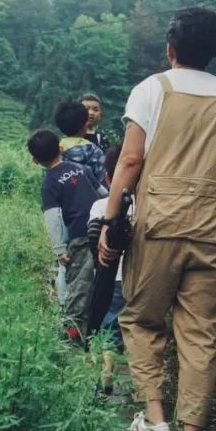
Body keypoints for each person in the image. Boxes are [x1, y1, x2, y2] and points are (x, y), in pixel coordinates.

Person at [97, 6, 216, 431]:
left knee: (142, 321)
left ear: (170, 49)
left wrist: (108, 222)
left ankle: (155, 421)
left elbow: (129, 160)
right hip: (210, 234)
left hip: (156, 229)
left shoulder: (152, 89)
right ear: (215, 51)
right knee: (200, 335)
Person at [27, 128, 104, 344]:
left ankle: (72, 340)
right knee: (102, 283)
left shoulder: (49, 182)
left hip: (80, 237)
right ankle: (100, 335)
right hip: (102, 230)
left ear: (35, 160)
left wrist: (59, 249)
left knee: (78, 288)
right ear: (61, 148)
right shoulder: (81, 168)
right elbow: (104, 195)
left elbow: (53, 219)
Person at [86, 145, 127, 401]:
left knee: (107, 328)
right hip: (139, 280)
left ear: (108, 178)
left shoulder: (100, 206)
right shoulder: (146, 206)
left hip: (111, 279)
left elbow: (92, 241)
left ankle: (106, 374)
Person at [54, 101, 107, 189]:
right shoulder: (93, 151)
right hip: (90, 199)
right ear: (85, 124)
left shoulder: (55, 150)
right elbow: (103, 179)